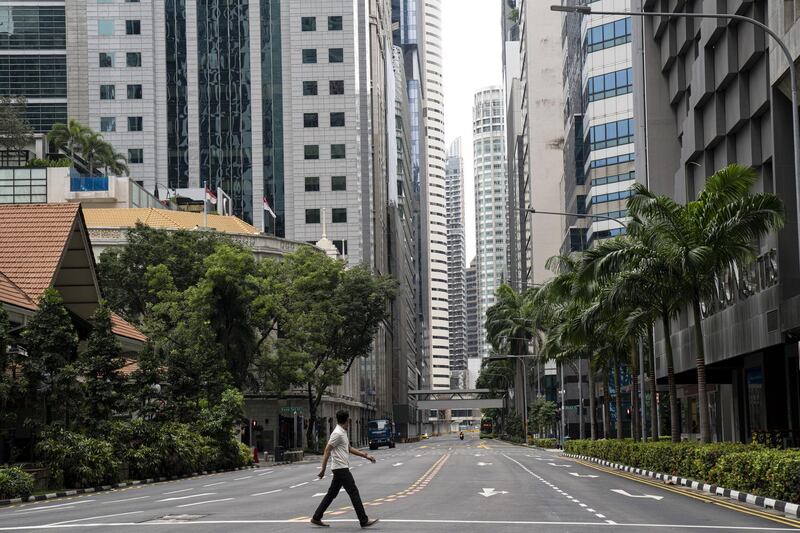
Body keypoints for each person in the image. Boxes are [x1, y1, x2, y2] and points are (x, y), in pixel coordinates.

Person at [311, 410, 379, 528]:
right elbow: (327, 450)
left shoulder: (342, 432)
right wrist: (323, 469)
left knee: (331, 494)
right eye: (349, 421)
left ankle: (316, 517)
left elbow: (349, 448)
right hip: (340, 468)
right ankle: (363, 520)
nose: (349, 423)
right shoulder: (337, 433)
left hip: (340, 468)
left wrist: (366, 456)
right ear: (347, 420)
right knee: (354, 492)